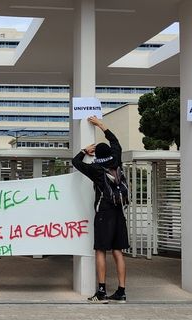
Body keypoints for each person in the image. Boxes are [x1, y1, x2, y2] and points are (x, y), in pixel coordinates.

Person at [72, 116, 129, 303]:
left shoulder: (96, 169)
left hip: (104, 214)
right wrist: (100, 125)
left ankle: (102, 292)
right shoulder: (117, 161)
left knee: (100, 251)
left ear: (97, 156)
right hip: (119, 211)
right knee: (118, 251)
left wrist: (83, 151)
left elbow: (76, 162)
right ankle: (121, 292)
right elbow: (115, 141)